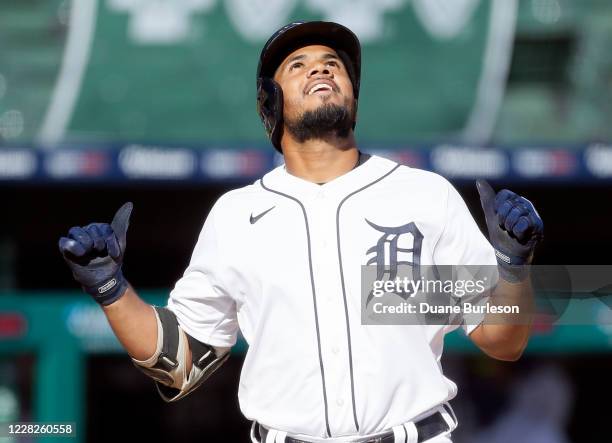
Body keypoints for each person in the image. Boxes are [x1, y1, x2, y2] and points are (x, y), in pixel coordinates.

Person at [59, 21, 543, 443]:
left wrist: (513, 267)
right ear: (270, 103)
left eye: (333, 63)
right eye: (298, 65)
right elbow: (179, 364)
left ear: (353, 94)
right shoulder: (236, 214)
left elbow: (503, 340)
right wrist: (109, 286)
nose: (321, 69)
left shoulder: (424, 195)